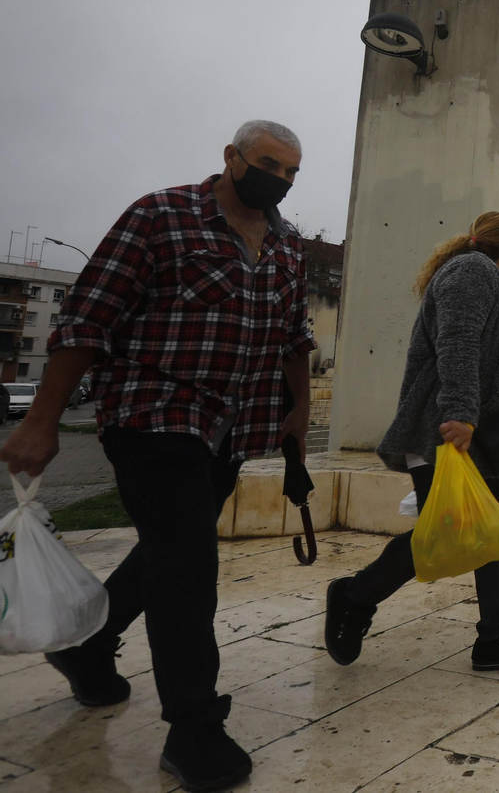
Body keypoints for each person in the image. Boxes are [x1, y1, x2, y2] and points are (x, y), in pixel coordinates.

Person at [0, 120, 315, 793]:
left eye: (291, 172)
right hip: (153, 413)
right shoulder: (160, 217)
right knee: (190, 565)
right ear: (231, 159)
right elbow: (87, 319)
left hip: (233, 425)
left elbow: (295, 336)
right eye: (268, 165)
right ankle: (194, 729)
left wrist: (299, 413)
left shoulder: (288, 245)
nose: (280, 180)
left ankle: (86, 650)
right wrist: (42, 419)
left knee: (171, 552)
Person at [323, 211, 499, 673]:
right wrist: (460, 414)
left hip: (490, 429)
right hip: (451, 428)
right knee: (445, 532)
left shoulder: (485, 278)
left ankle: (496, 635)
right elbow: (458, 343)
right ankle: (352, 596)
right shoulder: (472, 272)